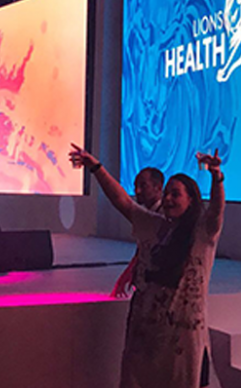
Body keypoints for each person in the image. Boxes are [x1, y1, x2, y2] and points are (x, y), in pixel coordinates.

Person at [69, 144, 225, 388]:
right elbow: (123, 202)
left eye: (176, 194)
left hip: (181, 340)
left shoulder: (202, 234)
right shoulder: (155, 225)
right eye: (167, 194)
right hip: (146, 331)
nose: (168, 199)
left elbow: (216, 211)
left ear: (191, 200)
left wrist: (216, 178)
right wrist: (96, 168)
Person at [111, 167, 164, 299]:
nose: (137, 191)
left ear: (158, 187)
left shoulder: (162, 216)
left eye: (143, 186)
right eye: (135, 186)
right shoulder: (149, 214)